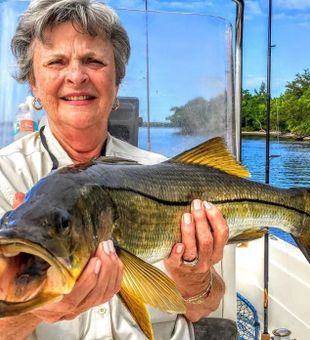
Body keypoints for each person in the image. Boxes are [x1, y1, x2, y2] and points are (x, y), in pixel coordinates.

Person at [0, 1, 230, 339]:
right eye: (56, 62)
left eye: (93, 61)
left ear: (117, 81)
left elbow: (202, 308)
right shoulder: (6, 176)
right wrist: (34, 309)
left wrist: (194, 278)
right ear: (33, 83)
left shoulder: (164, 175)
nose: (76, 76)